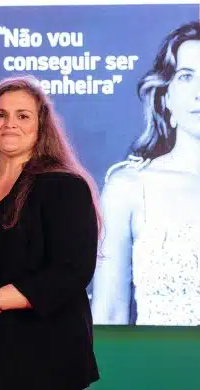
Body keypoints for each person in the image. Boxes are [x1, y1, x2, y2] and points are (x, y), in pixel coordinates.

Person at [0, 75, 100, 390]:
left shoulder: (64, 186)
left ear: (41, 126)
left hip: (44, 355)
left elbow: (71, 272)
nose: (10, 124)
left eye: (22, 116)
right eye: (1, 115)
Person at [91, 21, 200, 326]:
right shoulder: (128, 187)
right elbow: (108, 315)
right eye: (187, 76)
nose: (199, 92)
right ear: (166, 97)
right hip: (157, 356)